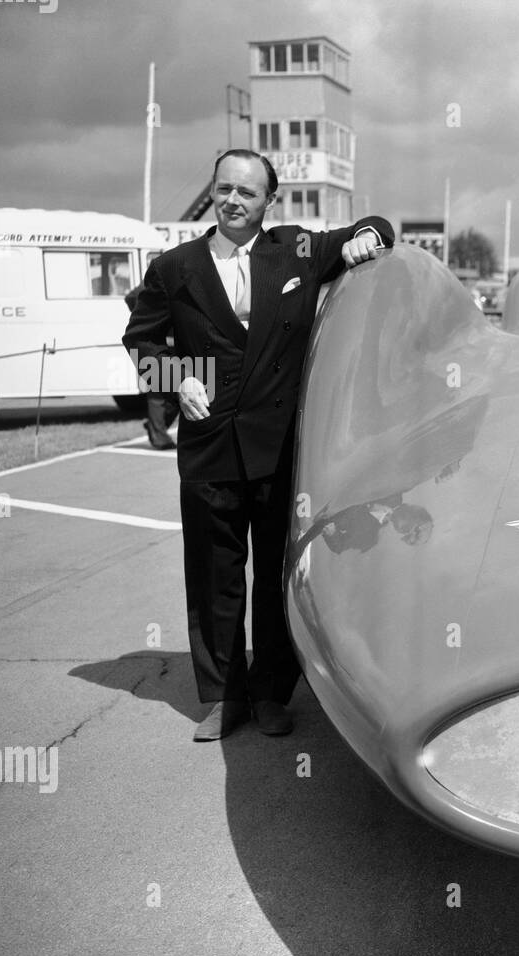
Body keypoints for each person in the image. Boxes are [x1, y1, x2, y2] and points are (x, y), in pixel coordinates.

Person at [124, 149, 394, 741]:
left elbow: (378, 227)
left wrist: (365, 239)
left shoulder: (296, 249)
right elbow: (141, 345)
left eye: (247, 193)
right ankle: (224, 697)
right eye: (223, 189)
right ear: (213, 192)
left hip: (280, 454)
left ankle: (271, 694)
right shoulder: (175, 267)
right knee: (215, 578)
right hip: (210, 451)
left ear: (270, 201)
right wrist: (180, 377)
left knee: (275, 578)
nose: (233, 201)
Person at [125, 281, 179, 450]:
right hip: (157, 344)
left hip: (179, 344)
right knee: (157, 393)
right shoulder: (162, 273)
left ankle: (155, 427)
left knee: (178, 392)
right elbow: (131, 297)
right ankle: (158, 436)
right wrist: (149, 316)